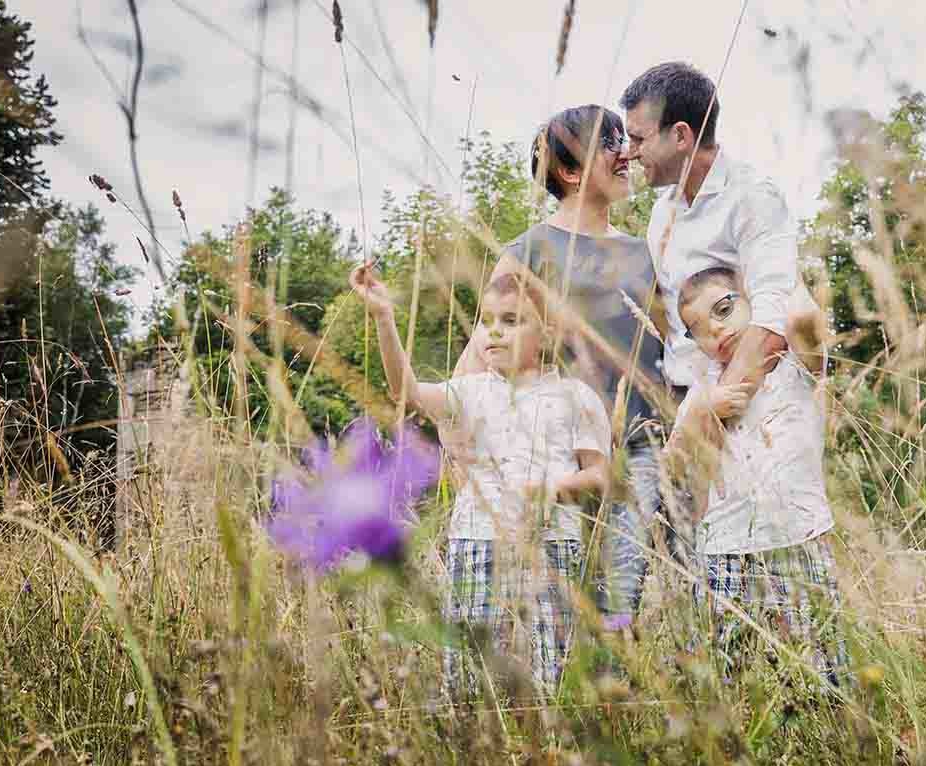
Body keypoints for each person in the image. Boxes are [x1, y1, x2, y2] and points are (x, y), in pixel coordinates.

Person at [452, 104, 671, 625]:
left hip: (638, 447)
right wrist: (467, 468)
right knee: (557, 604)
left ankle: (613, 698)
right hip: (554, 451)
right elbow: (480, 356)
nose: (625, 154)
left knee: (618, 598)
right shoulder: (529, 250)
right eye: (608, 145)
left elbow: (670, 346)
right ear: (569, 171)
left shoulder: (647, 252)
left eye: (624, 140)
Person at [350, 263, 611, 695]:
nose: (494, 332)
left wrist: (555, 488)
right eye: (486, 322)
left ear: (546, 333)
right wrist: (383, 318)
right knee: (471, 669)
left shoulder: (575, 398)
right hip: (478, 539)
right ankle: (477, 741)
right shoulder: (469, 392)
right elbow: (406, 392)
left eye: (511, 321)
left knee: (555, 669)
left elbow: (600, 478)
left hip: (552, 545)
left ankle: (552, 746)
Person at [665, 266, 841, 684]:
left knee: (820, 665)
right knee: (724, 672)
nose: (715, 331)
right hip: (724, 547)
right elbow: (672, 461)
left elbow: (802, 320)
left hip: (798, 536)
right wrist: (704, 414)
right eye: (698, 330)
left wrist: (772, 260)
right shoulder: (703, 387)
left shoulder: (791, 362)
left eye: (724, 309)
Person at [620, 61, 826, 409]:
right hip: (689, 403)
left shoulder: (752, 197)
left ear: (681, 136)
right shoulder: (661, 215)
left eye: (639, 138)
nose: (630, 152)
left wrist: (705, 424)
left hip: (761, 402)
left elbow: (773, 320)